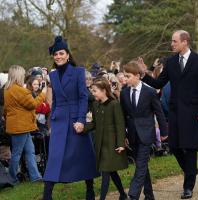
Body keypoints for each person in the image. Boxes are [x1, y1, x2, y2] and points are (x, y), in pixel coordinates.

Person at [140, 30, 198, 199]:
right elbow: (159, 82)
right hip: (175, 112)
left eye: (174, 41)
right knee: (174, 146)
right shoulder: (170, 62)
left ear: (184, 42)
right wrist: (144, 74)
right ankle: (191, 171)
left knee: (190, 147)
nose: (171, 44)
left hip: (194, 112)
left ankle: (188, 186)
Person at [43, 36, 97, 200]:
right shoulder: (52, 76)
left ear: (67, 55)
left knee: (83, 155)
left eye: (61, 53)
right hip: (59, 122)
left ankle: (90, 189)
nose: (58, 56)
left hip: (75, 120)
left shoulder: (78, 72)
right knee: (54, 157)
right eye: (55, 54)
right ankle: (47, 194)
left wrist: (81, 119)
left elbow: (83, 97)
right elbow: (56, 101)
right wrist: (52, 121)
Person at [120, 61, 168, 200]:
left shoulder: (150, 92)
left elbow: (159, 113)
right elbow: (123, 116)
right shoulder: (124, 93)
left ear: (137, 76)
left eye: (128, 76)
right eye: (124, 76)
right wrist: (124, 135)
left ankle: (133, 195)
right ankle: (149, 195)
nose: (125, 78)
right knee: (142, 166)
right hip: (133, 135)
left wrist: (164, 132)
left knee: (140, 165)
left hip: (147, 133)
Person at [85, 77, 128, 200]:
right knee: (111, 171)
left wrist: (121, 143)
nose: (92, 94)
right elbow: (94, 123)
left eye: (94, 91)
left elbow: (120, 125)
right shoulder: (95, 105)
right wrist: (82, 128)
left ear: (104, 91)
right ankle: (123, 194)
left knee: (105, 172)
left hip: (111, 145)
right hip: (100, 144)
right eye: (92, 91)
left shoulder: (114, 104)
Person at [4, 65, 46, 183]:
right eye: (22, 75)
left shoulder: (8, 89)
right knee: (17, 153)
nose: (24, 76)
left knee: (30, 151)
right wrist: (43, 93)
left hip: (19, 126)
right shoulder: (18, 90)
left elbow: (6, 110)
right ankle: (12, 178)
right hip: (20, 127)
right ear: (18, 76)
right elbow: (32, 104)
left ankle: (35, 177)